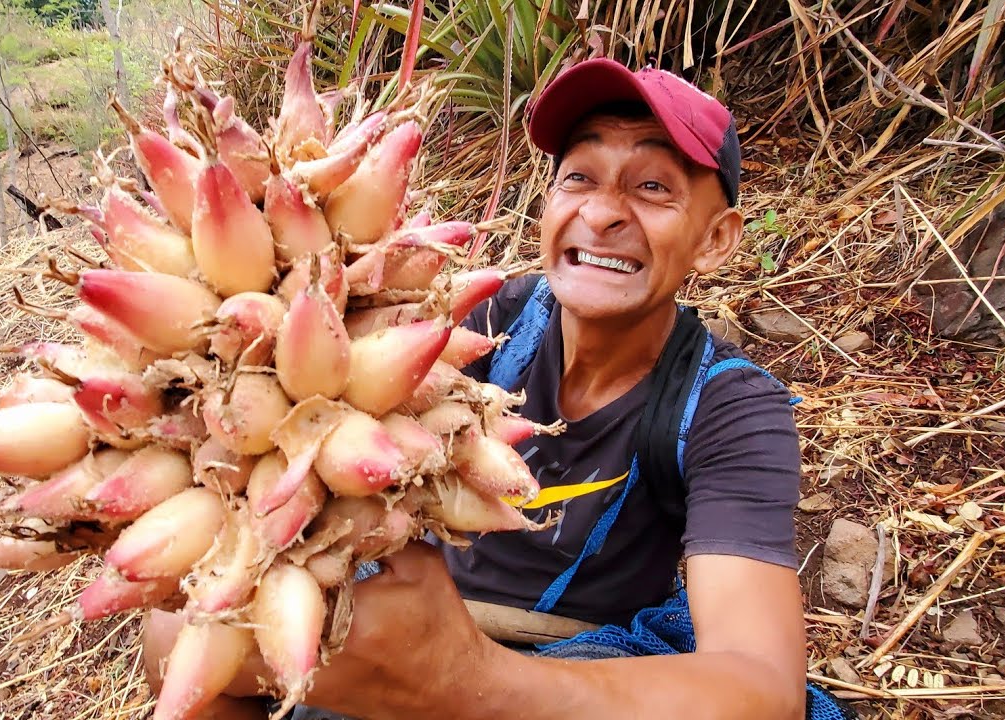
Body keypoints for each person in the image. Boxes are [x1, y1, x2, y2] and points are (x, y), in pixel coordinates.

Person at [142, 58, 833, 720]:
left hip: (568, 667)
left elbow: (764, 691)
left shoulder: (730, 406)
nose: (601, 214)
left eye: (652, 187)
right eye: (579, 177)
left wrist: (465, 681)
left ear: (716, 240)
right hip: (412, 626)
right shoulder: (483, 319)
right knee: (176, 642)